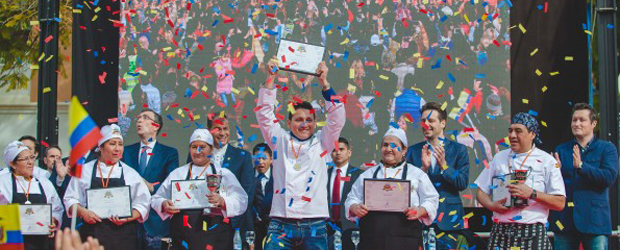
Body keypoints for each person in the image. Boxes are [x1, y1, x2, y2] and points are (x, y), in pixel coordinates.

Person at [256, 60, 345, 250]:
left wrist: (324, 84)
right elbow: (264, 114)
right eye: (298, 120)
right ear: (288, 123)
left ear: (315, 122)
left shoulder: (323, 141)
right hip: (280, 223)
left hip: (314, 224)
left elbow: (338, 118)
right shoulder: (278, 139)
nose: (304, 124)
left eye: (309, 120)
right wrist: (270, 79)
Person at [475, 113, 566, 250]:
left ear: (532, 134)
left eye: (518, 131)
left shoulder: (547, 161)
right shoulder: (499, 157)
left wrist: (532, 193)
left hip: (532, 232)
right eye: (510, 130)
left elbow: (560, 202)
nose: (512, 135)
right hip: (501, 232)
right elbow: (481, 192)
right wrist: (492, 205)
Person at [151, 129, 248, 250]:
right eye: (193, 147)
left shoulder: (223, 174)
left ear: (211, 150)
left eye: (202, 147)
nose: (197, 151)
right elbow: (156, 199)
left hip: (216, 238)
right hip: (183, 238)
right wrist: (164, 204)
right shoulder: (178, 174)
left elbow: (242, 200)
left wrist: (223, 202)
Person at [345, 128, 439, 250]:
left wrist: (419, 211)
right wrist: (355, 208)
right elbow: (351, 199)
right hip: (372, 241)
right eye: (385, 145)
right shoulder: (367, 175)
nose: (388, 149)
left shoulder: (416, 174)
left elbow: (432, 199)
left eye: (394, 145)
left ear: (404, 150)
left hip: (406, 241)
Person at [64, 124, 152, 250]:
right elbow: (70, 199)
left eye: (120, 144)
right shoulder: (85, 171)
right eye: (112, 144)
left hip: (124, 238)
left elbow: (144, 203)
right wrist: (83, 212)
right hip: (92, 236)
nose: (117, 148)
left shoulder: (130, 174)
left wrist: (128, 217)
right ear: (101, 147)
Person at [550, 103, 619, 250]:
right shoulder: (561, 150)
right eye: (574, 120)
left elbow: (609, 178)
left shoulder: (606, 148)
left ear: (593, 123)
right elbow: (553, 186)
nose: (577, 123)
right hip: (565, 220)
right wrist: (555, 172)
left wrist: (582, 166)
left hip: (595, 221)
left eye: (582, 120)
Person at [405, 102, 470, 249]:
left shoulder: (459, 150)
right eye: (423, 121)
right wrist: (423, 169)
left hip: (448, 221)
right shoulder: (412, 151)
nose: (426, 124)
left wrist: (445, 167)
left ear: (443, 123)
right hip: (419, 220)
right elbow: (406, 188)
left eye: (431, 120)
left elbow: (463, 183)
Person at [123, 108, 180, 250]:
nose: (139, 120)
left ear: (156, 126)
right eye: (138, 118)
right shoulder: (126, 152)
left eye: (145, 117)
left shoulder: (169, 153)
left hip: (156, 223)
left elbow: (172, 184)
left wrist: (151, 187)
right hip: (129, 223)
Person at [0, 141, 64, 250]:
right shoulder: (3, 182)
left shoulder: (44, 183)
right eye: (25, 159)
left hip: (40, 242)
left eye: (32, 157)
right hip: (12, 242)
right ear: (12, 164)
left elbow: (57, 209)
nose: (30, 162)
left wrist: (53, 221)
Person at [206, 115, 255, 242]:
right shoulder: (199, 156)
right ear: (209, 130)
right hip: (204, 225)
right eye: (217, 128)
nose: (222, 133)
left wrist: (228, 212)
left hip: (234, 225)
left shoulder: (242, 156)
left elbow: (247, 192)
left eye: (225, 129)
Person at [327, 138, 362, 250]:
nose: (338, 153)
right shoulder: (322, 174)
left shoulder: (359, 175)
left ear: (349, 152)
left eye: (341, 149)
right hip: (326, 228)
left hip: (350, 228)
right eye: (334, 150)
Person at [43, 146, 73, 229]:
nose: (55, 160)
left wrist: (60, 178)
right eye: (52, 156)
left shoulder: (67, 177)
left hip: (62, 223)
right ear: (45, 160)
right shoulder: (39, 177)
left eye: (58, 157)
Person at [252, 143, 274, 250]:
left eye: (264, 158)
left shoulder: (279, 175)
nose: (260, 162)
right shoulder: (248, 177)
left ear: (271, 159)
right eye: (257, 158)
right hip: (254, 229)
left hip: (276, 228)